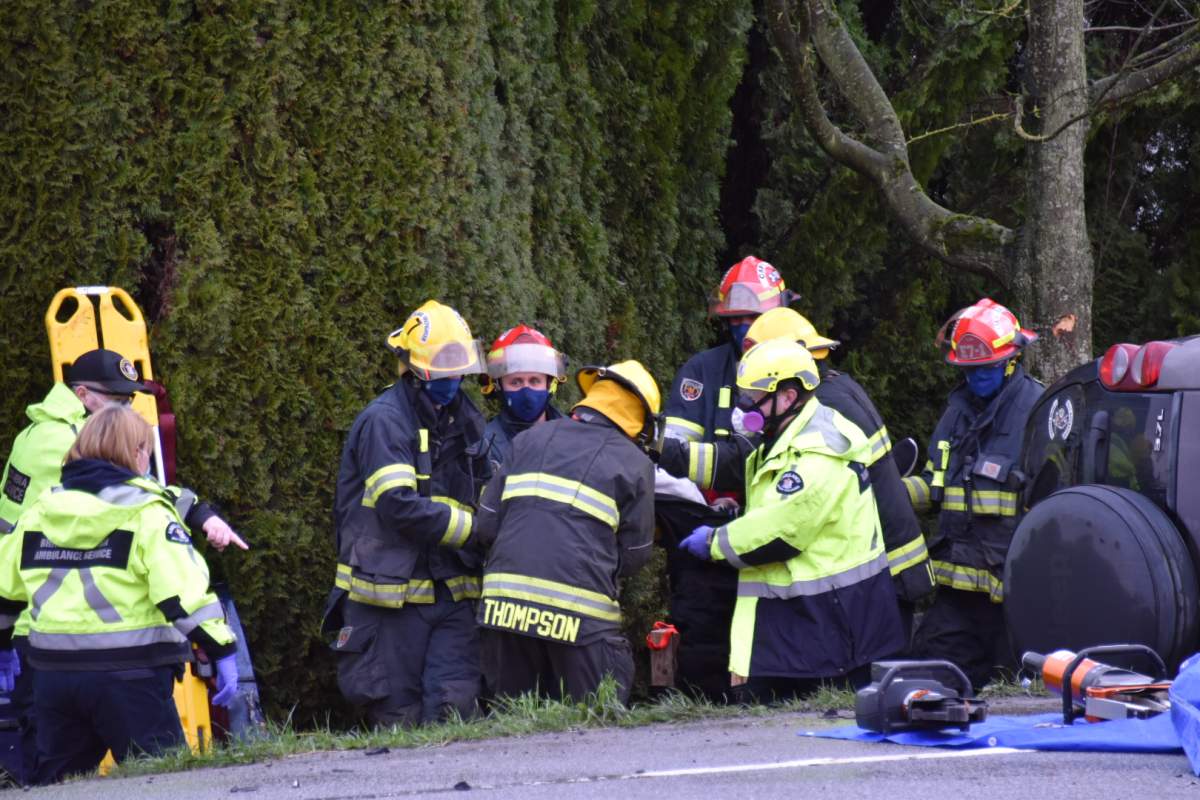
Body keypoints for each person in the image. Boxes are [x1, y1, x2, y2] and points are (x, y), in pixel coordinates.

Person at [0, 348, 245, 785]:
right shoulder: (63, 450)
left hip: (52, 662)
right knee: (164, 782)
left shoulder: (44, 507)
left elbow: (7, 580)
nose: (126, 405)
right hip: (129, 672)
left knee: (53, 784)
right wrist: (222, 649)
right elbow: (181, 592)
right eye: (118, 399)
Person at [678, 339, 904, 701]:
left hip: (826, 629)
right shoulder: (785, 435)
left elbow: (779, 532)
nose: (742, 407)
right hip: (812, 628)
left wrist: (713, 542)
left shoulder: (818, 452)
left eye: (752, 397)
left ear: (787, 396)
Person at [327, 300, 491, 727]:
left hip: (453, 592)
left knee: (456, 711)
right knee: (398, 716)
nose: (452, 381)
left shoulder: (467, 420)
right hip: (390, 598)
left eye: (458, 372)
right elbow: (397, 504)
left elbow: (487, 489)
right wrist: (476, 529)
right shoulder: (384, 421)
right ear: (412, 369)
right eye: (440, 371)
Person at [740, 308, 934, 640]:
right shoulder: (839, 388)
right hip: (895, 562)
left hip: (881, 569)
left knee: (869, 680)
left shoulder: (822, 409)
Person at [474, 361, 658, 705]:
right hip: (579, 619)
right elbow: (636, 554)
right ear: (640, 422)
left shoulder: (528, 439)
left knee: (510, 722)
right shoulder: (636, 464)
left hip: (502, 611)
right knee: (593, 717)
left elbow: (485, 525)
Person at [902, 298, 1043, 690]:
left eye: (987, 368)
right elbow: (935, 482)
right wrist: (889, 492)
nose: (976, 377)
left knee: (1012, 698)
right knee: (923, 683)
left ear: (1011, 361)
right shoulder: (957, 411)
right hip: (956, 593)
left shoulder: (1036, 412)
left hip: (1012, 597)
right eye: (969, 370)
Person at [663, 255, 790, 450]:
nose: (745, 327)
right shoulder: (701, 370)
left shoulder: (800, 374)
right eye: (737, 318)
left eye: (754, 317)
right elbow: (674, 449)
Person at [480, 325, 567, 469]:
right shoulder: (484, 446)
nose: (526, 391)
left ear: (550, 383)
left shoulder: (574, 438)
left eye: (534, 381)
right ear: (498, 386)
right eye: (516, 382)